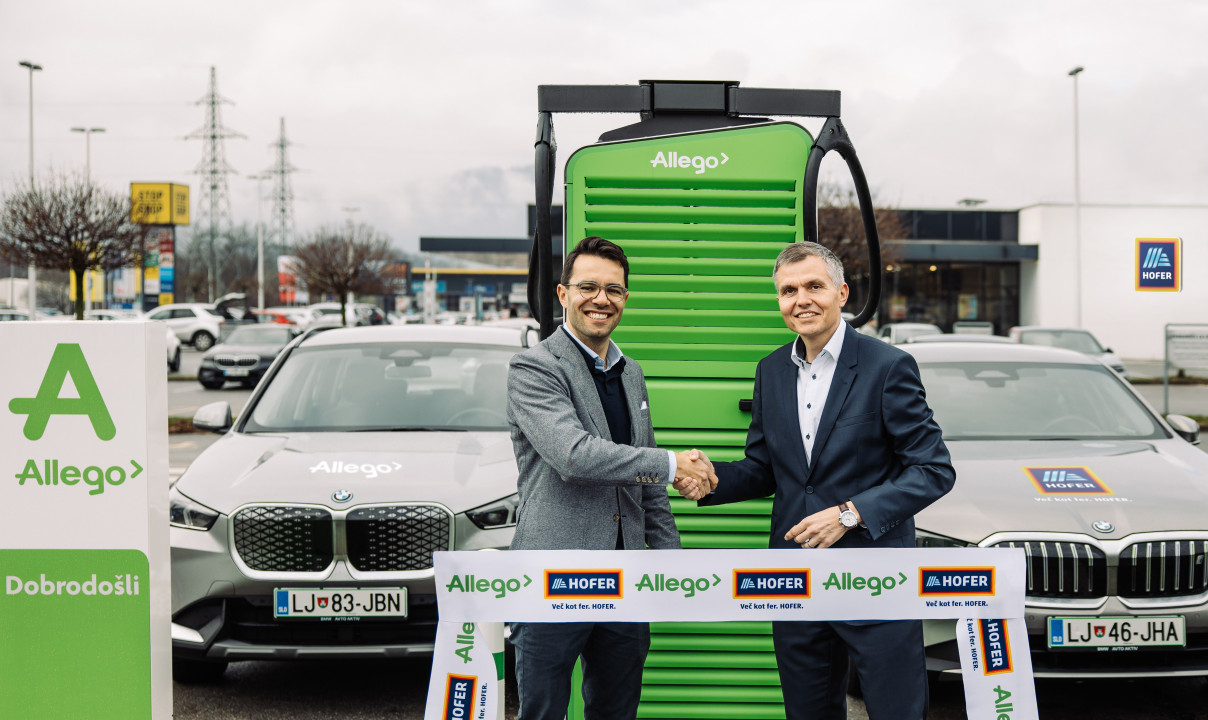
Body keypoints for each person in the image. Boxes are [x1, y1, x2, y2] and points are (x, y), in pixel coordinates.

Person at [678, 241, 955, 720]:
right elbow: (766, 469)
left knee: (897, 711)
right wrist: (711, 480)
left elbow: (933, 470)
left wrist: (850, 514)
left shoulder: (887, 366)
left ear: (841, 293)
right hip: (796, 579)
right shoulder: (770, 371)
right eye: (788, 291)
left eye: (813, 286)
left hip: (874, 580)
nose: (801, 300)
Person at [506, 235, 717, 720]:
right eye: (588, 287)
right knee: (543, 711)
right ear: (563, 294)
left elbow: (645, 480)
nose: (601, 299)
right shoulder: (534, 368)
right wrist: (671, 465)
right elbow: (574, 456)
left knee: (617, 710)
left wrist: (670, 563)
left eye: (614, 290)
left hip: (626, 580)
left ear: (625, 298)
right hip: (553, 576)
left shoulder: (631, 373)